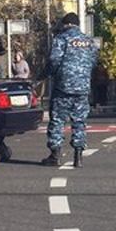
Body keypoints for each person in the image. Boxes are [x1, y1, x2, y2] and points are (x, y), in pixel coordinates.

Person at [38, 13, 98, 168]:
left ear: (66, 24)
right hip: (83, 88)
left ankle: (55, 155)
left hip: (63, 87)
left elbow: (54, 60)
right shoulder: (88, 41)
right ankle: (78, 157)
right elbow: (94, 61)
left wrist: (44, 75)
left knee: (57, 120)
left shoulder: (62, 38)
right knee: (79, 121)